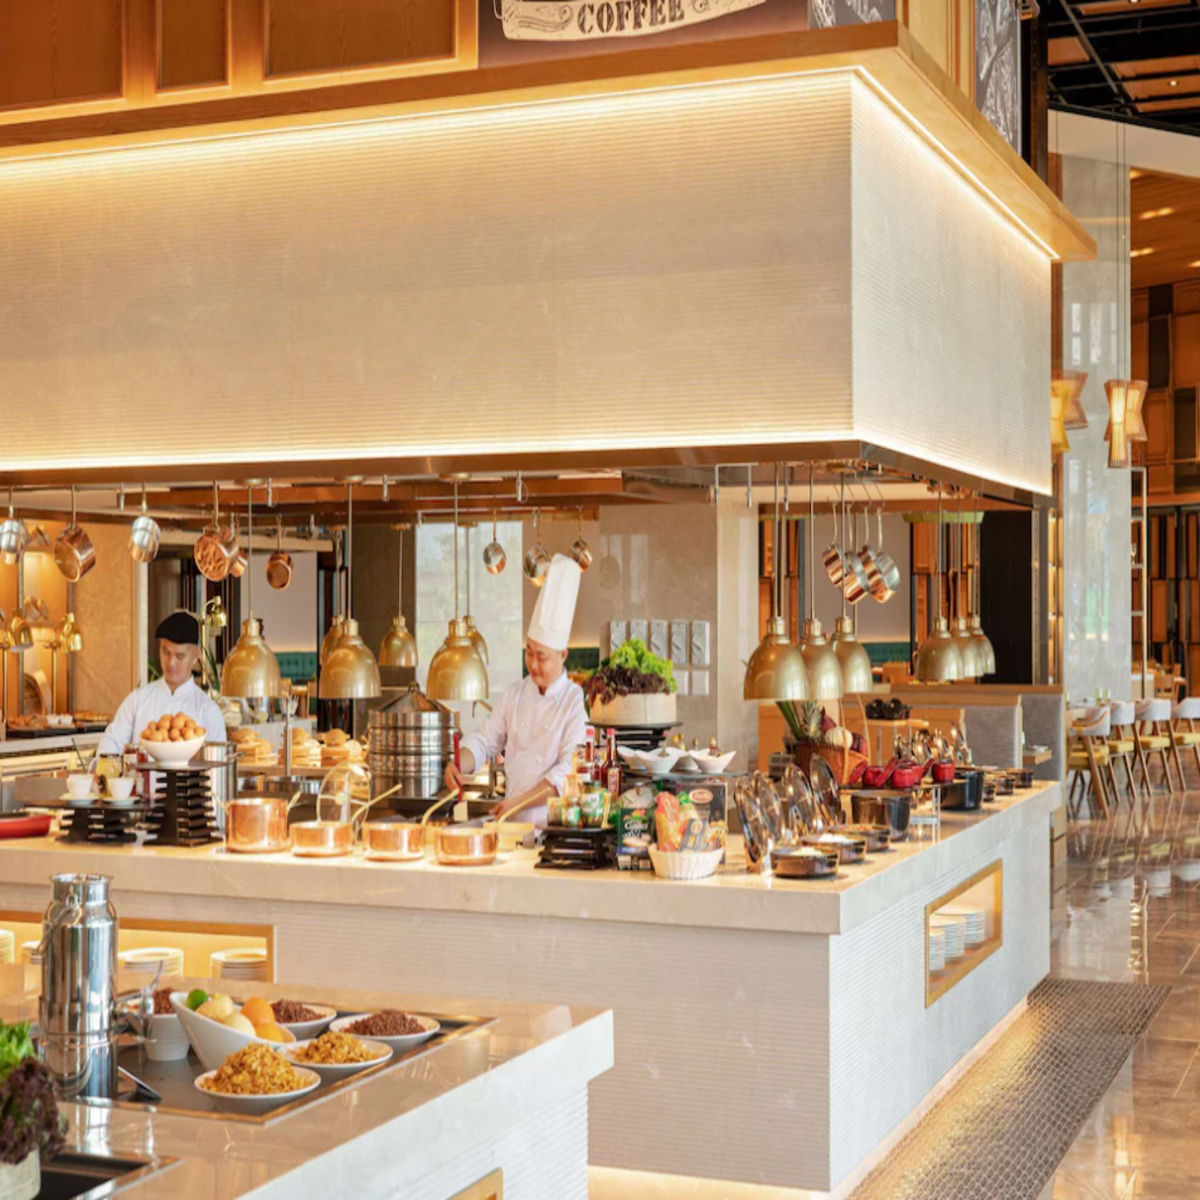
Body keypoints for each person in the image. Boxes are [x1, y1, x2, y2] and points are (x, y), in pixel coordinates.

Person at [448, 555, 588, 826]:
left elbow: (566, 773)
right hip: (511, 828)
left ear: (562, 655)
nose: (532, 664)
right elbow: (484, 741)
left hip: (550, 830)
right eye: (529, 652)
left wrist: (518, 803)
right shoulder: (515, 694)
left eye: (542, 657)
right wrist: (458, 765)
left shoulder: (573, 703)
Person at [96, 611, 227, 757]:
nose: (171, 663)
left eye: (179, 656)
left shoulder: (208, 711)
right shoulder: (138, 699)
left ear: (196, 656)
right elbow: (112, 740)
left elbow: (217, 760)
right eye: (165, 652)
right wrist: (104, 761)